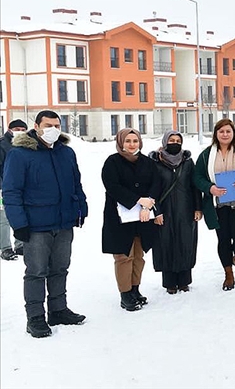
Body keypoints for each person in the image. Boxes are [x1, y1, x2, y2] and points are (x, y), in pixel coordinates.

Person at [3, 110, 88, 338]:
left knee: (60, 268)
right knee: (37, 272)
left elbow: (75, 184)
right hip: (35, 226)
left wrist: (81, 208)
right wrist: (18, 224)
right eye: (48, 125)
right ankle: (36, 317)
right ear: (37, 126)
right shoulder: (20, 154)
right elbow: (11, 192)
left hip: (63, 223)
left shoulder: (66, 153)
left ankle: (58, 310)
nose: (53, 130)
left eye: (57, 125)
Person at [101, 128, 162, 311]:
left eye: (135, 141)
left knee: (138, 255)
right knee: (123, 256)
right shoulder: (112, 162)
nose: (132, 144)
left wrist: (148, 203)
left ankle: (135, 289)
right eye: (127, 141)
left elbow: (156, 183)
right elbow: (112, 185)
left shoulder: (147, 162)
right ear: (121, 142)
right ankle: (125, 294)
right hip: (120, 217)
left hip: (142, 217)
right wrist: (137, 199)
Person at [194, 119, 235, 291]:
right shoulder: (206, 155)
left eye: (228, 131)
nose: (225, 134)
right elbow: (197, 177)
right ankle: (228, 272)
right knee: (223, 239)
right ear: (216, 134)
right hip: (217, 204)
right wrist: (210, 188)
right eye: (221, 132)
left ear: (233, 133)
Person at [149, 131, 203, 294]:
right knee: (166, 243)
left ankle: (184, 281)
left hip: (185, 209)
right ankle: (170, 282)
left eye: (178, 140)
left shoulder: (187, 162)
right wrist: (156, 211)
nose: (174, 143)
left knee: (185, 242)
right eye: (171, 140)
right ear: (165, 142)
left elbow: (194, 186)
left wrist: (197, 208)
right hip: (163, 210)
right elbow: (152, 189)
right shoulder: (155, 162)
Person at [1, 119, 28, 261]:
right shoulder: (2, 145)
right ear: (10, 129)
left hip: (23, 188)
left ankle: (20, 244)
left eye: (23, 129)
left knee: (21, 215)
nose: (20, 132)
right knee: (4, 218)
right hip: (4, 188)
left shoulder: (27, 145)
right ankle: (5, 248)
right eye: (17, 129)